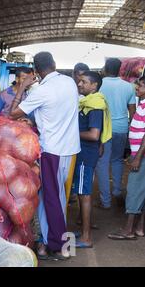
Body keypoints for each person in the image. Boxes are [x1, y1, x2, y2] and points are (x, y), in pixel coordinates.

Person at [9, 52, 81, 260]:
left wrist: (22, 87)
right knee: (59, 196)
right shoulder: (69, 82)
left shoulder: (41, 91)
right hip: (70, 148)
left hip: (52, 149)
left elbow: (12, 114)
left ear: (36, 70)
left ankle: (59, 247)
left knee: (52, 198)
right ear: (54, 64)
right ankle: (53, 242)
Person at [72, 71, 112, 248]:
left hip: (85, 154)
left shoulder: (95, 105)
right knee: (82, 192)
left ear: (94, 86)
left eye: (84, 82)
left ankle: (86, 237)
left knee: (84, 194)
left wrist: (70, 134)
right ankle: (83, 231)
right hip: (86, 153)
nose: (80, 84)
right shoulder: (87, 103)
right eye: (79, 81)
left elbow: (94, 134)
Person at [96, 58, 137, 210]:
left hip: (103, 129)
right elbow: (132, 111)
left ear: (105, 68)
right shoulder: (128, 87)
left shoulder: (99, 85)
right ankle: (117, 191)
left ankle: (105, 201)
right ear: (120, 69)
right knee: (118, 160)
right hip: (122, 128)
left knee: (102, 162)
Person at [108, 76, 145, 240]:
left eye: (140, 86)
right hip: (139, 153)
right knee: (142, 191)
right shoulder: (142, 104)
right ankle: (139, 228)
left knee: (134, 191)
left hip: (142, 156)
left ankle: (128, 229)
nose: (136, 88)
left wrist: (137, 157)